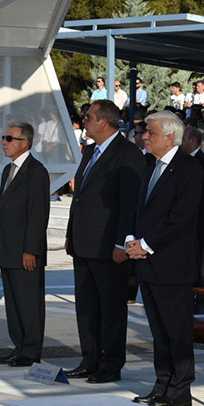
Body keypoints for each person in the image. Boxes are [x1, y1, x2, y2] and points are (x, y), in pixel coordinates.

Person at [64, 99, 146, 383]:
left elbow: (128, 204)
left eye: (89, 116)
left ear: (104, 121)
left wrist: (122, 243)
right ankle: (90, 359)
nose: (84, 120)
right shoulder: (89, 152)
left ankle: (110, 365)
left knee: (111, 309)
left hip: (109, 246)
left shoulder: (128, 153)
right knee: (86, 307)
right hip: (84, 243)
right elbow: (81, 198)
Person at [127, 111, 204, 406]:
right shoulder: (150, 165)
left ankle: (179, 390)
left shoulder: (189, 169)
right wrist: (131, 242)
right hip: (148, 264)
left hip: (173, 265)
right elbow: (140, 210)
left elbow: (180, 217)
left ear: (170, 137)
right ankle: (162, 385)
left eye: (151, 133)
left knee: (177, 331)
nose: (145, 137)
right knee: (158, 331)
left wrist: (146, 244)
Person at [0, 122, 50, 367]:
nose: (4, 142)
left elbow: (38, 214)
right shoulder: (8, 170)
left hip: (26, 251)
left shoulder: (36, 171)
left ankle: (30, 351)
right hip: (7, 247)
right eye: (4, 138)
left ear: (25, 142)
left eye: (9, 138)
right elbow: (2, 212)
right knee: (14, 304)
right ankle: (19, 346)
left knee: (29, 304)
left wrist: (30, 250)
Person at [181, 126, 204, 315]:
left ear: (193, 141)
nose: (180, 142)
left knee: (200, 260)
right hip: (185, 221)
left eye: (183, 138)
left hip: (196, 219)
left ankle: (202, 300)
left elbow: (198, 194)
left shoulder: (203, 162)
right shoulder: (184, 160)